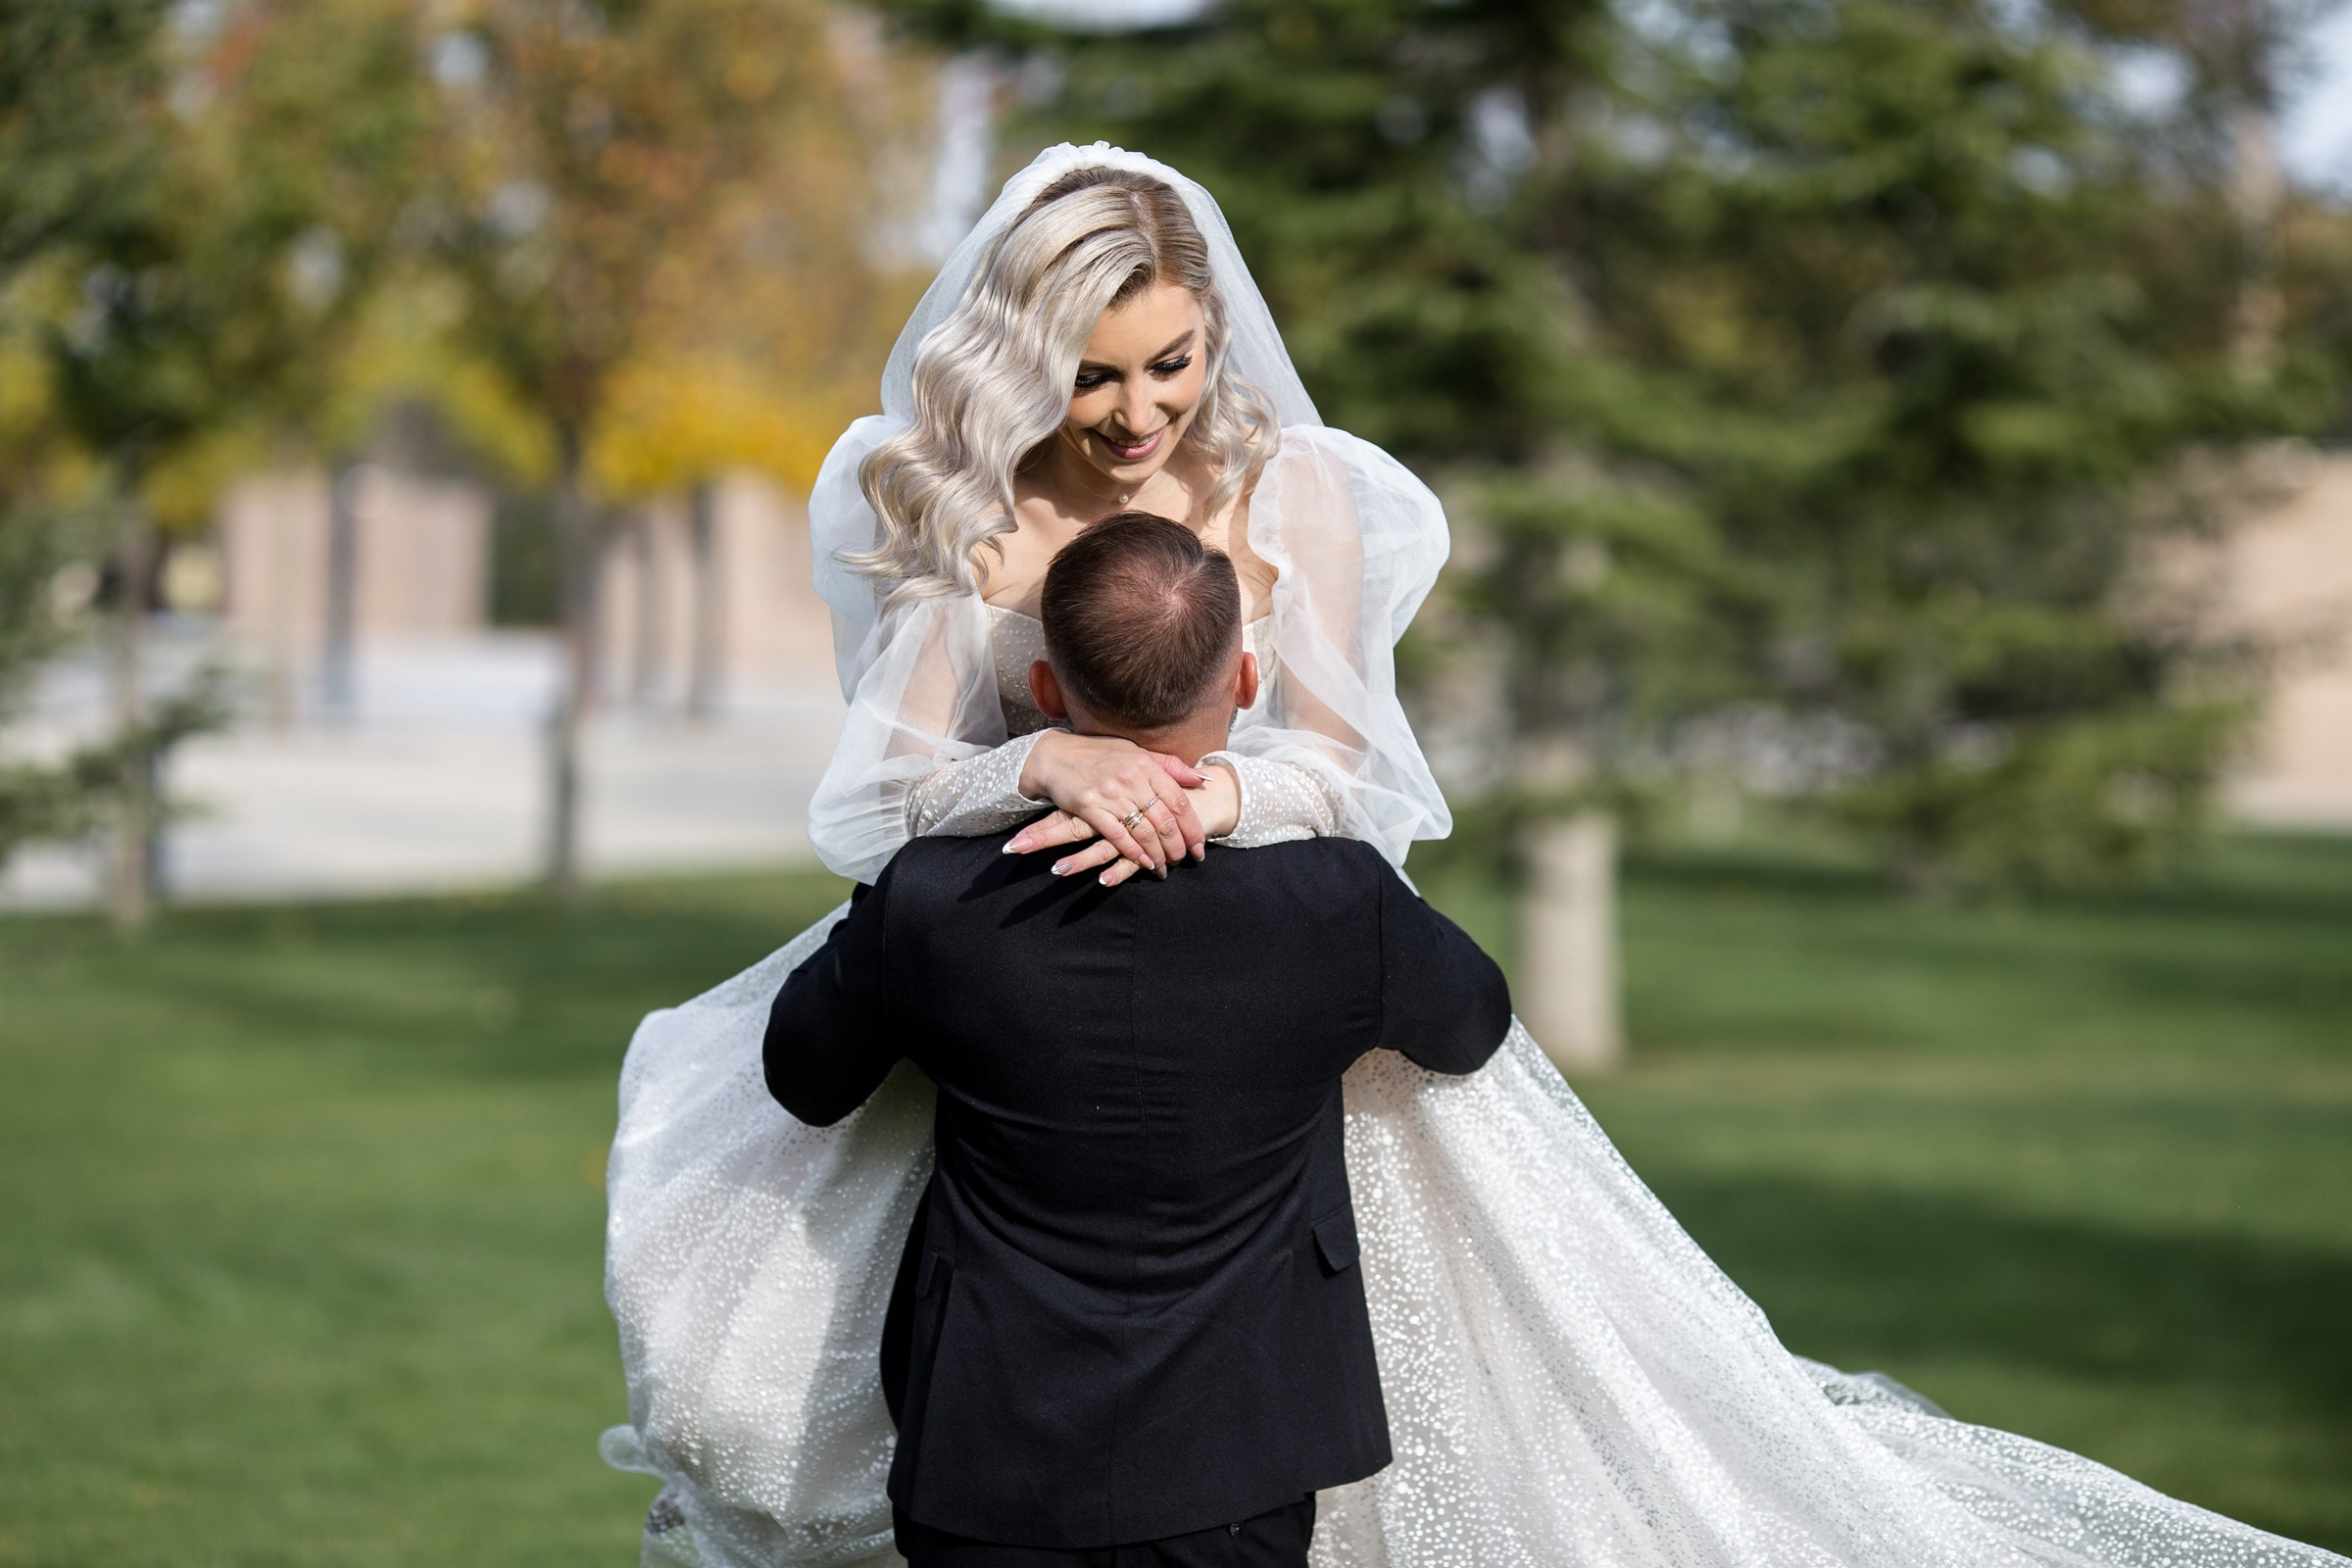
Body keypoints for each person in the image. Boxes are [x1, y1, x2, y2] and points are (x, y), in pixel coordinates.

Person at [601, 143, 2349, 1568]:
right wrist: (1041, 756)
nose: (1136, 416)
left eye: (1170, 365)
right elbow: (862, 812)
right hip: (1009, 984)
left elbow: (1352, 776)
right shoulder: (964, 505)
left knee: (1465, 1413)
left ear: (1215, 336)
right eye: (1091, 376)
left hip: (1265, 957)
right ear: (1021, 361)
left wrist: (1218, 800)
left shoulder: (1295, 494)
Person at [762, 514, 1511, 1566]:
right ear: (1248, 681)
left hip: (984, 1445)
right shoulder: (1338, 900)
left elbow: (803, 1075)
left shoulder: (930, 899)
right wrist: (1280, 807)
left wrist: (976, 800)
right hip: (1242, 1449)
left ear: (1050, 695)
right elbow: (1475, 1023)